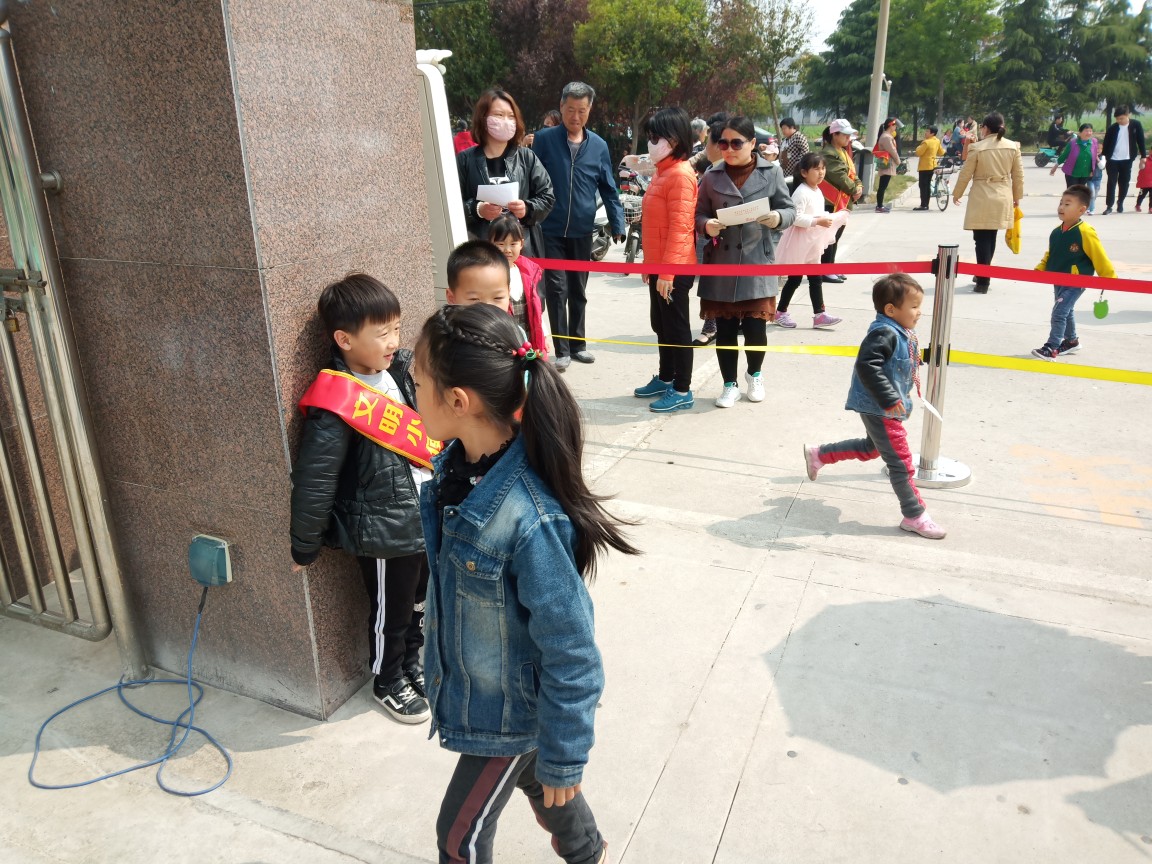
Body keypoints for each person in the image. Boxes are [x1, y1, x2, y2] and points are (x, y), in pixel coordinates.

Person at [413, 302, 637, 864]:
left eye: (416, 383)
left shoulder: (528, 517)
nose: (410, 394)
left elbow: (573, 650)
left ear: (457, 401)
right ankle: (588, 851)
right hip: (493, 700)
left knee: (459, 837)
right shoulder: (455, 467)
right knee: (540, 780)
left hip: (509, 715)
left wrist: (568, 753)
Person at [290, 274, 432, 724]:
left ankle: (411, 664)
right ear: (344, 339)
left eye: (397, 328)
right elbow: (315, 479)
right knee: (391, 611)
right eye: (382, 332)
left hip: (424, 513)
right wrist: (305, 544)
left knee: (419, 601)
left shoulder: (403, 372)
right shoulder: (334, 399)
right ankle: (387, 680)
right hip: (386, 528)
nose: (394, 341)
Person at [803, 273, 946, 540]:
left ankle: (820, 454)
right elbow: (867, 365)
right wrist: (889, 398)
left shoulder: (900, 330)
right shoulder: (884, 332)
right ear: (891, 309)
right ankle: (914, 515)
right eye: (914, 306)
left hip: (884, 406)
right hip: (881, 407)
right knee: (900, 463)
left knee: (872, 449)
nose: (919, 312)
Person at [696, 115, 796, 408]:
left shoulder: (772, 172)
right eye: (723, 143)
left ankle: (755, 375)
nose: (729, 149)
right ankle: (729, 384)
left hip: (756, 260)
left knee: (755, 329)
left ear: (752, 143)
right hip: (722, 262)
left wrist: (777, 217)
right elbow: (698, 214)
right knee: (725, 331)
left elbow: (788, 209)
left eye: (736, 143)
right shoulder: (712, 176)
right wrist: (706, 225)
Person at [532, 82, 626, 371]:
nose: (575, 116)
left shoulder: (598, 146)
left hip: (583, 230)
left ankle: (578, 345)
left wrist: (617, 222)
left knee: (578, 290)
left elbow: (608, 187)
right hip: (550, 229)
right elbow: (532, 179)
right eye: (570, 109)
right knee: (556, 289)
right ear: (561, 107)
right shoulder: (544, 140)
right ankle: (562, 350)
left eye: (581, 110)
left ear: (589, 110)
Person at [630, 108, 699, 413]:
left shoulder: (680, 175)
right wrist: (651, 266)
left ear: (676, 139)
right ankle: (666, 377)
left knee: (677, 329)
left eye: (657, 137)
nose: (652, 142)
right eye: (650, 136)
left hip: (675, 268)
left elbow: (680, 230)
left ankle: (682, 389)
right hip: (660, 266)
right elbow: (654, 226)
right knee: (661, 325)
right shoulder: (662, 171)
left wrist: (668, 273)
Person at [457, 89, 555, 259]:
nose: (506, 121)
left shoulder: (527, 157)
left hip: (520, 251)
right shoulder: (465, 160)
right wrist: (477, 209)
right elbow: (449, 205)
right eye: (499, 115)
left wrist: (527, 208)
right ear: (483, 118)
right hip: (479, 252)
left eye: (511, 116)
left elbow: (547, 196)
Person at [1030, 184, 1116, 360]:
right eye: (1061, 203)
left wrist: (1109, 277)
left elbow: (1098, 254)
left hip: (1077, 281)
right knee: (1066, 311)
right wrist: (1041, 268)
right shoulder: (1056, 232)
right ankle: (1071, 341)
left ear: (1081, 210)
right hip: (1058, 278)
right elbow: (1051, 253)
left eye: (1067, 204)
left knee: (1059, 312)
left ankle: (1052, 347)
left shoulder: (1085, 232)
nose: (1061, 207)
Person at [952, 112, 1025, 294]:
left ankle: (983, 280)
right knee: (991, 236)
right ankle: (982, 273)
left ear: (985, 128)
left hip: (982, 195)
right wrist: (1017, 196)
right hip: (1002, 194)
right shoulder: (1013, 147)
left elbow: (966, 173)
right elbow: (1018, 175)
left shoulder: (978, 147)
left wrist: (957, 193)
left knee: (981, 239)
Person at [774, 152, 846, 330]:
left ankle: (819, 314)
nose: (821, 172)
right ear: (804, 172)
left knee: (815, 278)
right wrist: (817, 221)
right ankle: (780, 312)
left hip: (811, 242)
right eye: (816, 169)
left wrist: (830, 218)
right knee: (795, 279)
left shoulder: (817, 190)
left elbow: (816, 213)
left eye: (823, 168)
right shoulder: (801, 192)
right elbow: (795, 217)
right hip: (800, 243)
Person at [445, 234, 548, 354]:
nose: (488, 307)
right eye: (474, 299)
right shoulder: (447, 343)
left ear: (508, 294)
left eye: (498, 297)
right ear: (451, 298)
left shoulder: (516, 335)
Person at [818, 120, 863, 284]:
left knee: (835, 237)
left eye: (849, 135)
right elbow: (840, 177)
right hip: (831, 201)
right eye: (845, 135)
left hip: (842, 201)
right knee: (829, 238)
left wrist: (859, 186)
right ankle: (825, 270)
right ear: (834, 135)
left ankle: (830, 267)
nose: (848, 138)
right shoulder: (829, 153)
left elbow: (852, 174)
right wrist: (854, 189)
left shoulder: (842, 152)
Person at [1101, 105, 1147, 215]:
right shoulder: (1112, 128)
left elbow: (1141, 140)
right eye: (1117, 119)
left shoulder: (1136, 125)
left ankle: (1120, 202)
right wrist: (1103, 156)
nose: (1119, 121)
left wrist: (1143, 156)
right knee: (1111, 182)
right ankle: (1109, 206)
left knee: (1124, 182)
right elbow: (1106, 143)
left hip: (1127, 159)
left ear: (1128, 115)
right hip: (1113, 159)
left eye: (1121, 118)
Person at [912, 126, 945, 211]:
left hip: (924, 166)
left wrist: (918, 147)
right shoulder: (937, 141)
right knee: (927, 185)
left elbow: (918, 152)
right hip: (933, 165)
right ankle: (926, 204)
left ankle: (924, 205)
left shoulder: (926, 142)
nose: (925, 133)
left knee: (923, 185)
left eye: (927, 131)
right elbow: (941, 152)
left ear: (932, 133)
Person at [873, 117, 901, 213]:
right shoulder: (886, 137)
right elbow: (892, 150)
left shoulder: (887, 136)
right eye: (894, 125)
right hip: (887, 163)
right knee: (882, 186)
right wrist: (898, 161)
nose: (895, 127)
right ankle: (879, 206)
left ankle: (880, 205)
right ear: (890, 126)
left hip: (887, 163)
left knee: (883, 185)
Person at [778, 116, 810, 187]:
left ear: (792, 127)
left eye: (784, 128)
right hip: (785, 172)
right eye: (782, 129)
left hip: (795, 174)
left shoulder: (798, 137)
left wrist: (797, 165)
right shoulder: (785, 140)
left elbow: (805, 151)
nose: (783, 131)